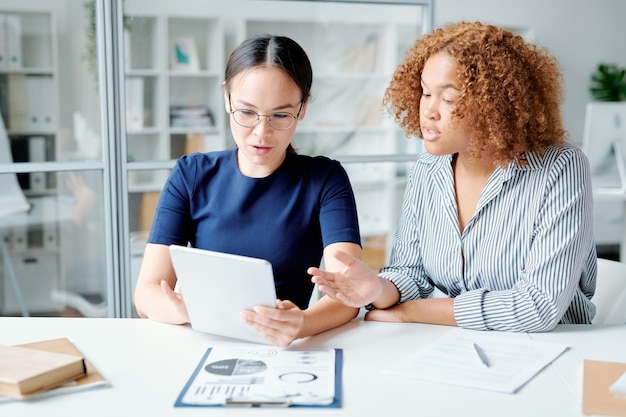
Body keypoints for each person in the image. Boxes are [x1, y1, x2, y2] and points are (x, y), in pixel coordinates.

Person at [309, 21, 597, 332]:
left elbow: (538, 307)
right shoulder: (427, 169)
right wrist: (377, 289)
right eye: (425, 92)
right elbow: (411, 272)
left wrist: (412, 312)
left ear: (494, 104)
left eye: (448, 99)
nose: (429, 111)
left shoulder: (561, 168)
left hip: (559, 351)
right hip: (462, 348)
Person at [133, 34, 362, 346]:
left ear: (303, 107)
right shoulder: (191, 175)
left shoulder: (324, 179)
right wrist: (186, 311)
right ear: (227, 98)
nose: (261, 132)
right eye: (246, 112)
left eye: (280, 115)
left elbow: (348, 294)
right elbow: (146, 293)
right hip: (202, 340)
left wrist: (302, 323)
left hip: (287, 348)